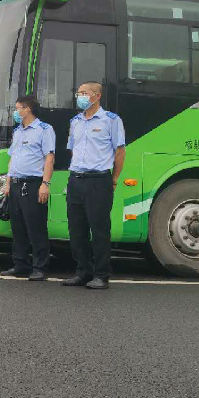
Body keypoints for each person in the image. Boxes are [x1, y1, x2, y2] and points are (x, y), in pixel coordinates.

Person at [63, 81, 125, 290]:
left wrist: (114, 179)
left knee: (99, 230)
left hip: (98, 180)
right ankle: (83, 272)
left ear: (97, 96)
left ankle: (101, 275)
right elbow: (73, 148)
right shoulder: (75, 121)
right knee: (76, 229)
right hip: (76, 180)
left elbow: (120, 152)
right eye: (78, 93)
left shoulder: (111, 120)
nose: (79, 96)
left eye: (84, 93)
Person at [0, 95, 55, 281]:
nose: (16, 112)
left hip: (33, 184)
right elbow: (12, 159)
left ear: (28, 109)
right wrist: (7, 183)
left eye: (18, 108)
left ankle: (40, 267)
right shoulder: (18, 132)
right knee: (18, 228)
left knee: (36, 227)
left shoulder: (44, 129)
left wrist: (45, 184)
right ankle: (20, 265)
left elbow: (49, 158)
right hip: (15, 184)